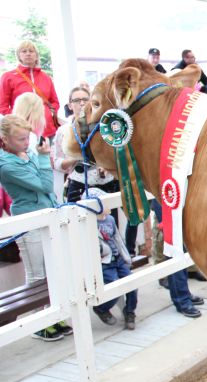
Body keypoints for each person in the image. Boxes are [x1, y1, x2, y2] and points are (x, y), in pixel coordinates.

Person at [0, 115, 71, 340]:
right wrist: (43, 157)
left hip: (45, 217)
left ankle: (52, 316)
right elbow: (45, 184)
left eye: (27, 138)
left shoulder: (27, 152)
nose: (25, 143)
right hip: (29, 223)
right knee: (36, 274)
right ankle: (38, 324)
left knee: (52, 271)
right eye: (20, 139)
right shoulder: (5, 164)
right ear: (5, 140)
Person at [54, 86, 118, 204]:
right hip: (78, 182)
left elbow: (115, 153)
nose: (82, 103)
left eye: (85, 99)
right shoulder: (64, 130)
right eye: (77, 100)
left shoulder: (103, 126)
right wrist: (75, 158)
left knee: (111, 221)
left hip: (106, 182)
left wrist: (105, 166)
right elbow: (57, 162)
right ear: (70, 105)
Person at [87, 188, 137, 330]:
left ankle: (130, 311)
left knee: (132, 283)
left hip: (118, 259)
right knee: (113, 286)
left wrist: (126, 257)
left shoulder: (110, 219)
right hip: (105, 263)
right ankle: (102, 308)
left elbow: (118, 239)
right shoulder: (89, 224)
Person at [149, 199, 204, 318]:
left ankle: (185, 293)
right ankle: (181, 299)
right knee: (174, 251)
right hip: (165, 201)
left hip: (175, 200)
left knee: (182, 250)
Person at [0, 40, 60, 139]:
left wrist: (47, 114)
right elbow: (2, 106)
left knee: (48, 154)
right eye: (24, 51)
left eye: (31, 51)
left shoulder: (46, 77)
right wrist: (18, 118)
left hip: (47, 130)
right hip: (21, 132)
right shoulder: (8, 77)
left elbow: (54, 102)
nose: (28, 54)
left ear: (36, 55)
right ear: (18, 56)